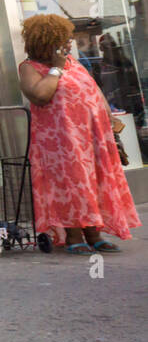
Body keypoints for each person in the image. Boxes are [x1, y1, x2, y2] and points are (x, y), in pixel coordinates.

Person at [18, 13, 138, 254]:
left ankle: (94, 233)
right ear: (46, 41)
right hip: (60, 142)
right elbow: (40, 96)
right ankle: (74, 235)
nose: (69, 43)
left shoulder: (73, 62)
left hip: (90, 137)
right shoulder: (30, 68)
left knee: (92, 182)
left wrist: (109, 120)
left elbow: (93, 90)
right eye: (63, 39)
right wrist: (56, 69)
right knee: (69, 185)